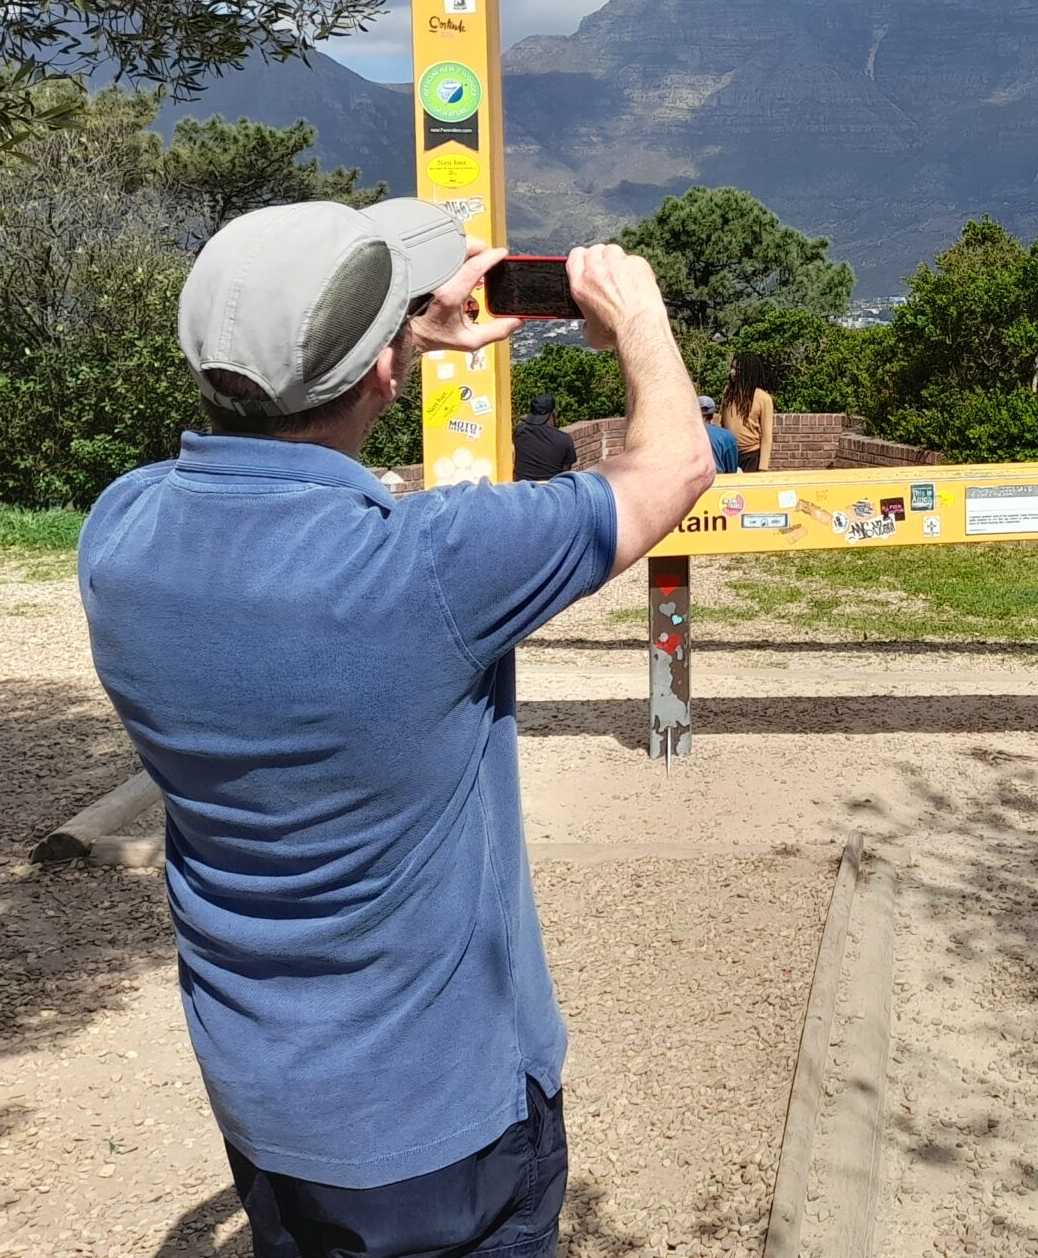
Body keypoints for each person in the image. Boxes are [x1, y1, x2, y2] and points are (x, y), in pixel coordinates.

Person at [79, 200, 712, 1258]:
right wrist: (639, 318)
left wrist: (394, 338)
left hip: (263, 1095)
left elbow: (256, 441)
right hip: (442, 1116)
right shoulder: (431, 567)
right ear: (378, 374)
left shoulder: (124, 529)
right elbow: (676, 468)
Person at [715, 358, 774, 473]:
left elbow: (766, 435)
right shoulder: (728, 394)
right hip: (729, 453)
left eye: (736, 369)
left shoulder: (763, 398)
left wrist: (763, 466)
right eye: (731, 368)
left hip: (751, 455)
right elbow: (722, 423)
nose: (732, 372)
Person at [514, 391, 576, 481]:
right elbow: (564, 474)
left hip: (522, 489)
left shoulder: (519, 432)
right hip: (550, 490)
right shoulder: (564, 440)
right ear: (553, 413)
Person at [700, 395, 740, 473]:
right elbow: (732, 470)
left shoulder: (683, 436)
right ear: (713, 414)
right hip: (717, 480)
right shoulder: (726, 436)